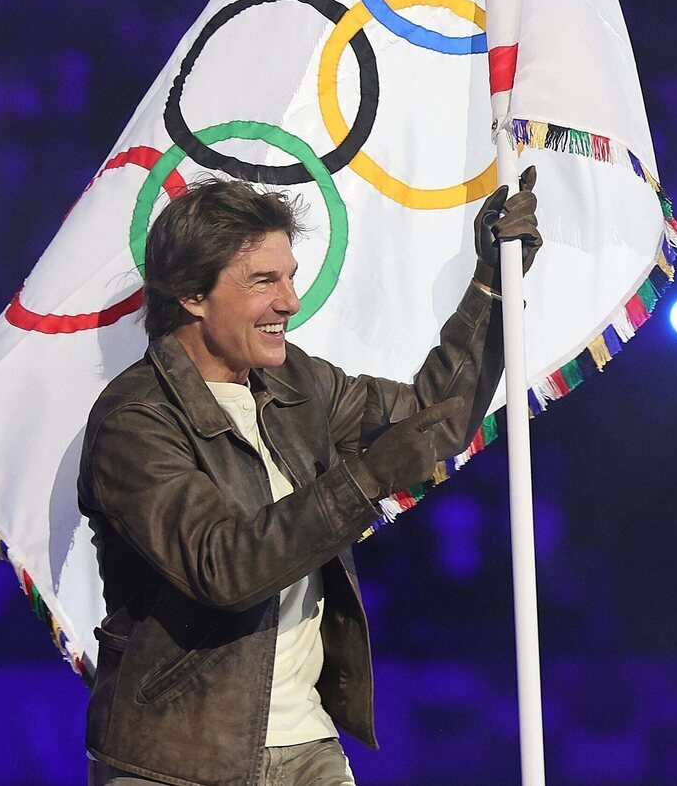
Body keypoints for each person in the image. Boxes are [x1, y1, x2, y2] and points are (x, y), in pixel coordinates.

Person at [77, 170, 540, 786]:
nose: (290, 301)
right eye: (264, 281)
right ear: (191, 294)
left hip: (309, 744)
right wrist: (363, 478)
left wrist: (491, 287)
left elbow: (436, 420)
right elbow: (224, 568)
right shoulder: (134, 423)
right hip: (175, 760)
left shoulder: (299, 382)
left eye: (290, 277)